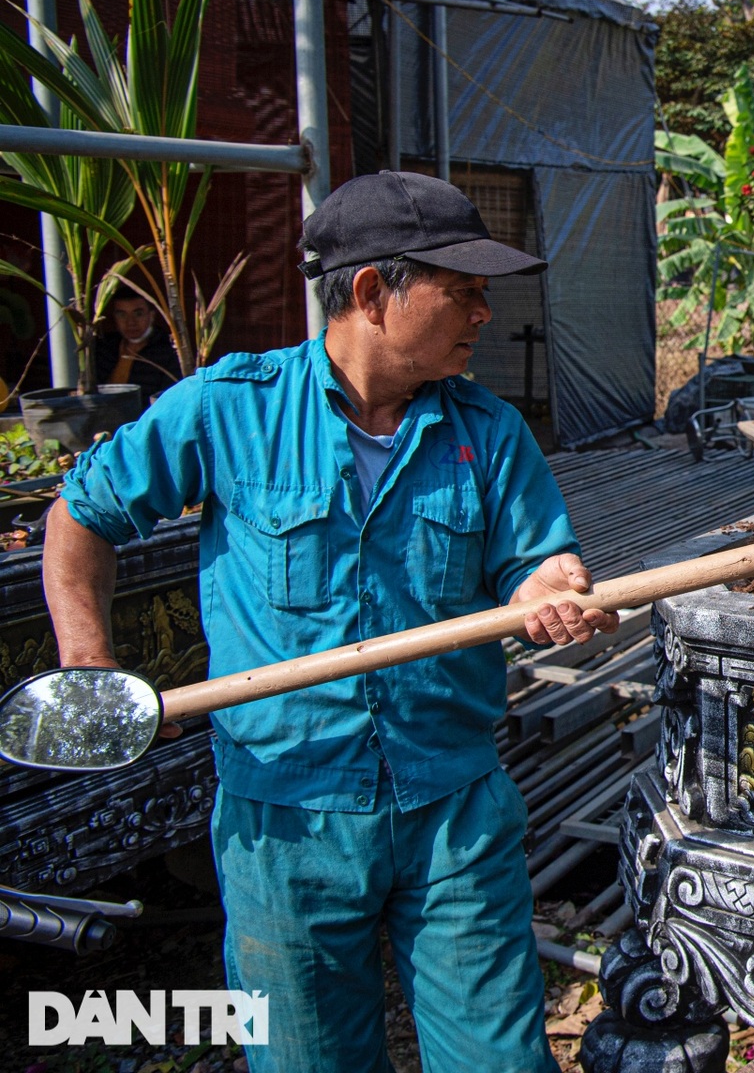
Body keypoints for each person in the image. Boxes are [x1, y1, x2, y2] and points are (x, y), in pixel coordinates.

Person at [43, 171, 612, 1073]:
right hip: (287, 820)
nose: (482, 315)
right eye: (462, 291)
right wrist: (88, 666)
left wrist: (549, 582)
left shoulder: (490, 432)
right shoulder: (228, 410)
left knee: (499, 1058)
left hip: (452, 804)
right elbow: (81, 518)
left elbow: (531, 560)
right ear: (370, 293)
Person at [93, 282, 182, 402]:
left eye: (138, 314)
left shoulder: (169, 350)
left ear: (151, 315)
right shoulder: (105, 347)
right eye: (122, 315)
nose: (130, 322)